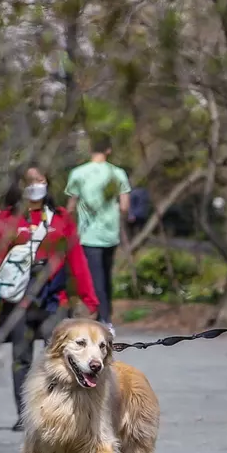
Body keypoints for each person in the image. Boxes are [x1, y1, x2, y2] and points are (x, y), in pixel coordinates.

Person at [0, 166, 100, 432]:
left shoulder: (61, 219)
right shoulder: (6, 220)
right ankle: (25, 415)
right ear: (19, 186)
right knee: (21, 359)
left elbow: (77, 261)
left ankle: (55, 411)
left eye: (40, 180)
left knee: (57, 357)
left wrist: (90, 300)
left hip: (55, 301)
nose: (36, 185)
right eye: (30, 181)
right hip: (18, 302)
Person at [65, 135, 130, 329]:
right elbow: (125, 205)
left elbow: (70, 205)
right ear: (108, 150)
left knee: (95, 277)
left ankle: (103, 319)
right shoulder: (117, 173)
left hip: (88, 234)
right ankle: (105, 316)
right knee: (106, 275)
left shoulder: (77, 174)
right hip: (110, 233)